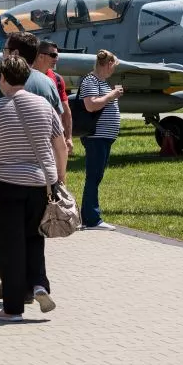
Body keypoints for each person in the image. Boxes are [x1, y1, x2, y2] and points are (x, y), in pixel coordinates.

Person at [0, 56, 68, 321]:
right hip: (42, 184)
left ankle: (13, 307)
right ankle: (39, 284)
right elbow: (61, 146)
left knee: (10, 245)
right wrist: (59, 179)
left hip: (6, 184)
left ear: (3, 79)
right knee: (34, 237)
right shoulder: (44, 106)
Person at [78, 49, 124, 230]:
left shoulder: (101, 81)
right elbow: (90, 105)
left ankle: (90, 216)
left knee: (96, 177)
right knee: (93, 177)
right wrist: (112, 95)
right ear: (109, 64)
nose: (114, 70)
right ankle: (91, 218)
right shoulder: (91, 80)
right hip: (96, 136)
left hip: (104, 137)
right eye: (114, 66)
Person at [0, 33, 63, 113]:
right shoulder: (49, 83)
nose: (3, 55)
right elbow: (57, 120)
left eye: (5, 50)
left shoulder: (0, 82)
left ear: (15, 53)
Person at [34, 40, 74, 155]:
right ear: (40, 56)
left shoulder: (57, 79)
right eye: (53, 55)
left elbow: (66, 110)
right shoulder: (24, 76)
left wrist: (69, 137)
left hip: (53, 138)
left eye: (57, 55)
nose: (57, 58)